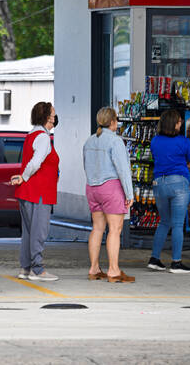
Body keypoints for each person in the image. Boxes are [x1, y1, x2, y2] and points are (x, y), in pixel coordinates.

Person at [82, 106, 135, 283]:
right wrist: (129, 193)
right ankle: (113, 271)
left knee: (97, 228)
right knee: (115, 229)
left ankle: (94, 268)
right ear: (113, 122)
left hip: (92, 187)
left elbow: (86, 165)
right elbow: (123, 170)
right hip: (110, 188)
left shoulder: (89, 141)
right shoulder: (115, 141)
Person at [10, 102, 60, 282]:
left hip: (27, 192)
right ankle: (37, 270)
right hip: (39, 192)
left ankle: (25, 268)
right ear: (47, 117)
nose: (55, 117)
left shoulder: (32, 135)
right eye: (53, 114)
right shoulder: (43, 138)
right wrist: (24, 176)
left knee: (29, 232)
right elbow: (36, 162)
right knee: (39, 232)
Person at [148, 110, 190, 274]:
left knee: (164, 222)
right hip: (178, 183)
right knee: (177, 224)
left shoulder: (155, 141)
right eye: (178, 122)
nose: (180, 124)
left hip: (158, 183)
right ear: (173, 124)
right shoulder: (183, 142)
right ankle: (176, 262)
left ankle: (155, 259)